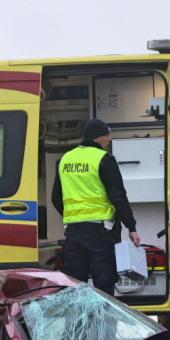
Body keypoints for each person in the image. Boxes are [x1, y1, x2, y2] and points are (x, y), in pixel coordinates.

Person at [51, 119, 139, 296]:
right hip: (100, 232)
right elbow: (118, 197)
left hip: (73, 232)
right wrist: (131, 227)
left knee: (74, 284)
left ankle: (76, 324)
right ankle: (103, 323)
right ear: (96, 138)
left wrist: (72, 216)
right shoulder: (104, 160)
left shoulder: (65, 160)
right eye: (106, 134)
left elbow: (55, 198)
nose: (110, 139)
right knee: (104, 283)